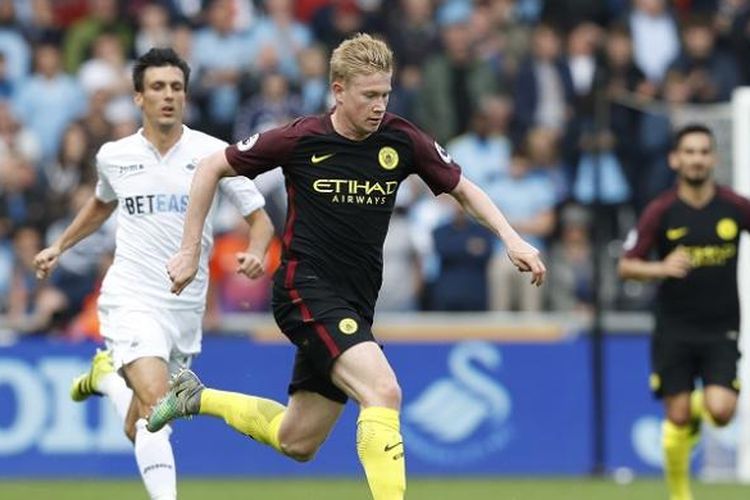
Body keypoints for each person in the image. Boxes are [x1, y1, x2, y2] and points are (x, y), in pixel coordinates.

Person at [148, 34, 545, 500]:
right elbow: (210, 166)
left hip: (355, 302)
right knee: (384, 391)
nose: (380, 106)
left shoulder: (402, 138)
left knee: (296, 441)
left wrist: (511, 236)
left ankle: (195, 397)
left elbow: (464, 189)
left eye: (385, 94)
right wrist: (190, 249)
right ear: (338, 90)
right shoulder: (301, 138)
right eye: (369, 95)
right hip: (304, 290)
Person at [33, 48, 274, 500]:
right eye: (158, 87)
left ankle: (105, 377)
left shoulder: (214, 155)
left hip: (185, 308)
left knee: (142, 422)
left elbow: (259, 219)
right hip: (131, 297)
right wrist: (60, 246)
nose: (168, 96)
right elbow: (102, 203)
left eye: (176, 88)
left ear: (186, 96)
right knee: (156, 405)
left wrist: (257, 252)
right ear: (139, 98)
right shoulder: (115, 155)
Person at [618, 124, 750, 500]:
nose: (696, 159)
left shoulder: (734, 207)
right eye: (689, 152)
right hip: (674, 328)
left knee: (722, 412)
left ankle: (700, 401)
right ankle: (680, 495)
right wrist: (660, 268)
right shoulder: (661, 211)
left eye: (703, 152)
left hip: (722, 327)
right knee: (676, 418)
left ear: (714, 158)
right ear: (676, 159)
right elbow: (627, 266)